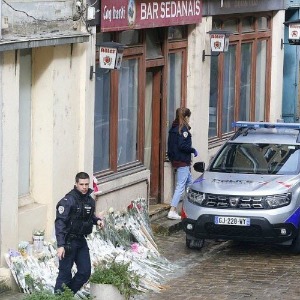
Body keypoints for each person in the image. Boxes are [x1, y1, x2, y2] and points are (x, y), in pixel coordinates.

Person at [54, 172, 104, 294]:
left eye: (87, 184)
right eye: (81, 184)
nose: (84, 187)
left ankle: (67, 295)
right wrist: (61, 245)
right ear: (76, 184)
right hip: (68, 242)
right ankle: (60, 297)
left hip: (81, 241)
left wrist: (97, 221)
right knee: (65, 275)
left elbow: (88, 217)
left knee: (85, 272)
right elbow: (60, 223)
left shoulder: (89, 200)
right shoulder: (68, 201)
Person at [167, 107, 198, 220]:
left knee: (190, 184)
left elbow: (170, 146)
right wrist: (192, 150)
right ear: (186, 117)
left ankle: (190, 207)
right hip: (182, 161)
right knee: (180, 186)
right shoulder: (183, 130)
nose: (189, 119)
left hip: (177, 160)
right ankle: (172, 210)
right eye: (189, 117)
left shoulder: (173, 128)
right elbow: (182, 145)